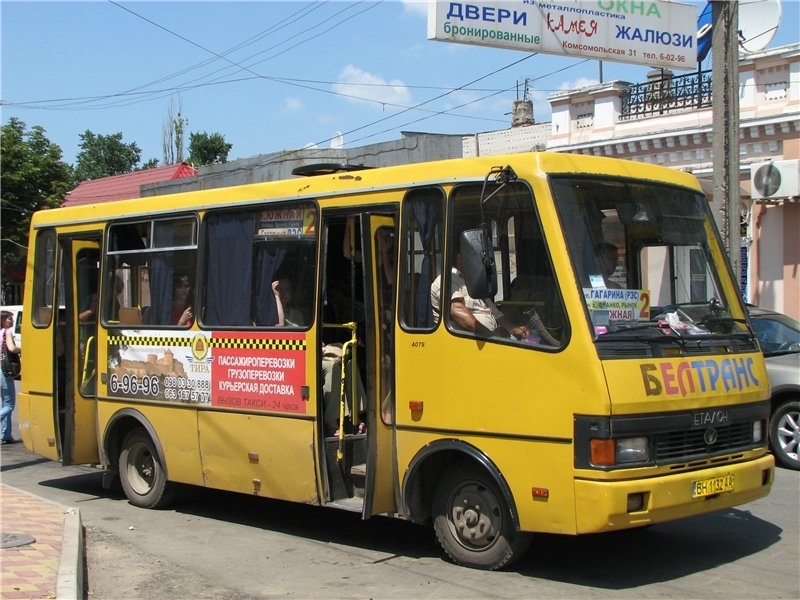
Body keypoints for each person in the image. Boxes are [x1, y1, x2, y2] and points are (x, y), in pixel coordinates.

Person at [430, 253, 530, 339]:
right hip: (466, 343)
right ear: (459, 258)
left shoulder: (474, 283)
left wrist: (514, 329)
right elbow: (458, 312)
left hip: (490, 338)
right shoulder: (446, 280)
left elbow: (496, 314)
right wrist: (493, 338)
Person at [1, 310, 21, 444]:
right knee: (9, 405)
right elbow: (12, 348)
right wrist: (23, 348)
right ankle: (5, 435)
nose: (12, 322)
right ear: (2, 320)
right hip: (4, 371)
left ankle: (6, 435)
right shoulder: (6, 332)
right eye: (9, 319)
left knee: (5, 403)